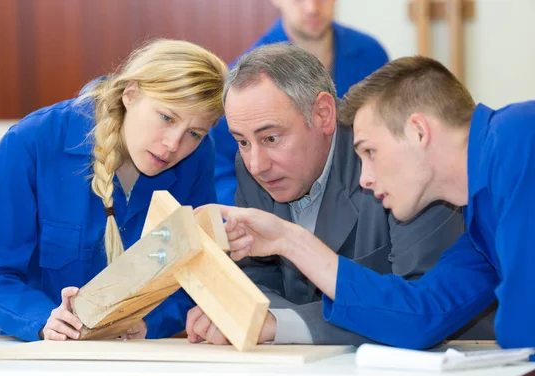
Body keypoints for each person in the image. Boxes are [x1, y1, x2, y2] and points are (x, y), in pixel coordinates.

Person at [207, 55, 535, 360]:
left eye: (370, 151)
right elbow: (419, 315)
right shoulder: (480, 223)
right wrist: (289, 240)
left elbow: (522, 331)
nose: (364, 178)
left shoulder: (518, 138)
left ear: (418, 132)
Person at [0, 39, 227, 342]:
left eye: (194, 133)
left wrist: (151, 323)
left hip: (144, 357)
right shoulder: (30, 142)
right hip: (43, 357)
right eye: (166, 117)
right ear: (131, 93)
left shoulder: (199, 156)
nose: (173, 145)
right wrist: (42, 319)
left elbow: (195, 277)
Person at [212, 0, 389, 205]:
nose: (312, 9)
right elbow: (219, 163)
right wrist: (254, 211)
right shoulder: (245, 85)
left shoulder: (371, 54)